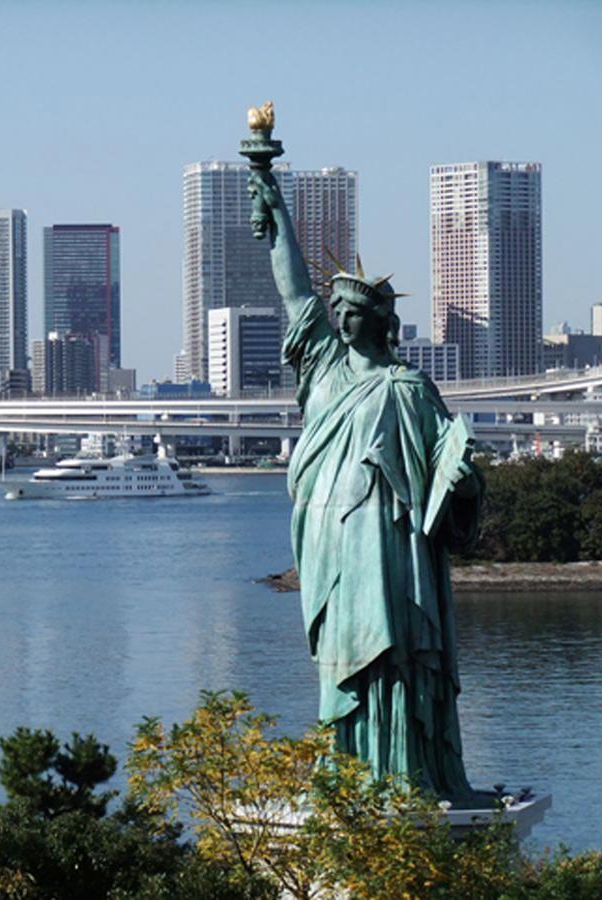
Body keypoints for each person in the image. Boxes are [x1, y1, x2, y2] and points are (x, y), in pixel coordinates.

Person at [248, 166, 481, 802]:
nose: (343, 321)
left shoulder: (410, 388)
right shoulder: (321, 366)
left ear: (380, 323)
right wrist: (279, 217)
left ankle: (404, 772)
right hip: (332, 540)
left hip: (395, 542)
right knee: (345, 652)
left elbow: (448, 469)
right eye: (339, 312)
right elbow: (296, 294)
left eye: (354, 313)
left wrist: (462, 483)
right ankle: (346, 773)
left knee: (397, 650)